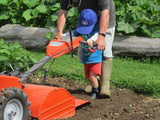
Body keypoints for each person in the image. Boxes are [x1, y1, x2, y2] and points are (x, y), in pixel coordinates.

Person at [57, 0, 116, 98]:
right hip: (86, 21)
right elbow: (63, 11)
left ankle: (105, 85)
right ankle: (95, 83)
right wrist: (59, 34)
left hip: (105, 17)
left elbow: (105, 13)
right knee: (87, 51)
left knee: (105, 50)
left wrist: (101, 37)